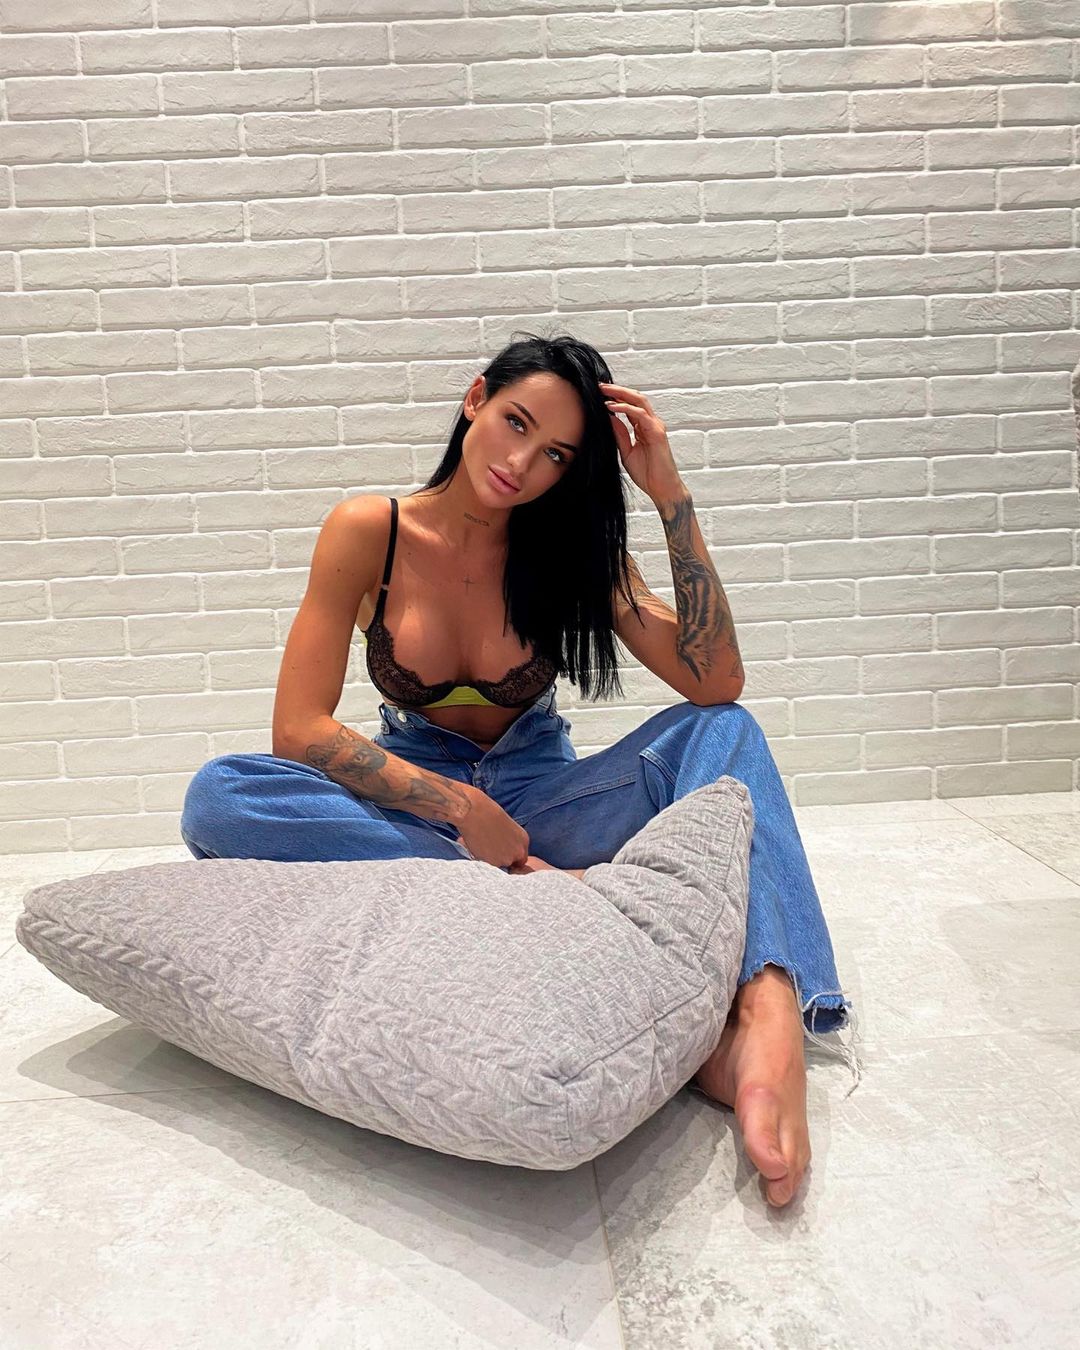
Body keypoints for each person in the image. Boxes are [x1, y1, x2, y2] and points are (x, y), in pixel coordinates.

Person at [180, 332, 861, 1208]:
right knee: (221, 795)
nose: (522, 464)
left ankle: (766, 1010)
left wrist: (669, 495)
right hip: (423, 805)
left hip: (547, 800)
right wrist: (463, 811)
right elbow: (298, 731)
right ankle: (537, 886)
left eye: (556, 455)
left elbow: (714, 682)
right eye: (515, 423)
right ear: (475, 400)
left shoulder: (573, 551)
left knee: (724, 734)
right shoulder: (370, 531)